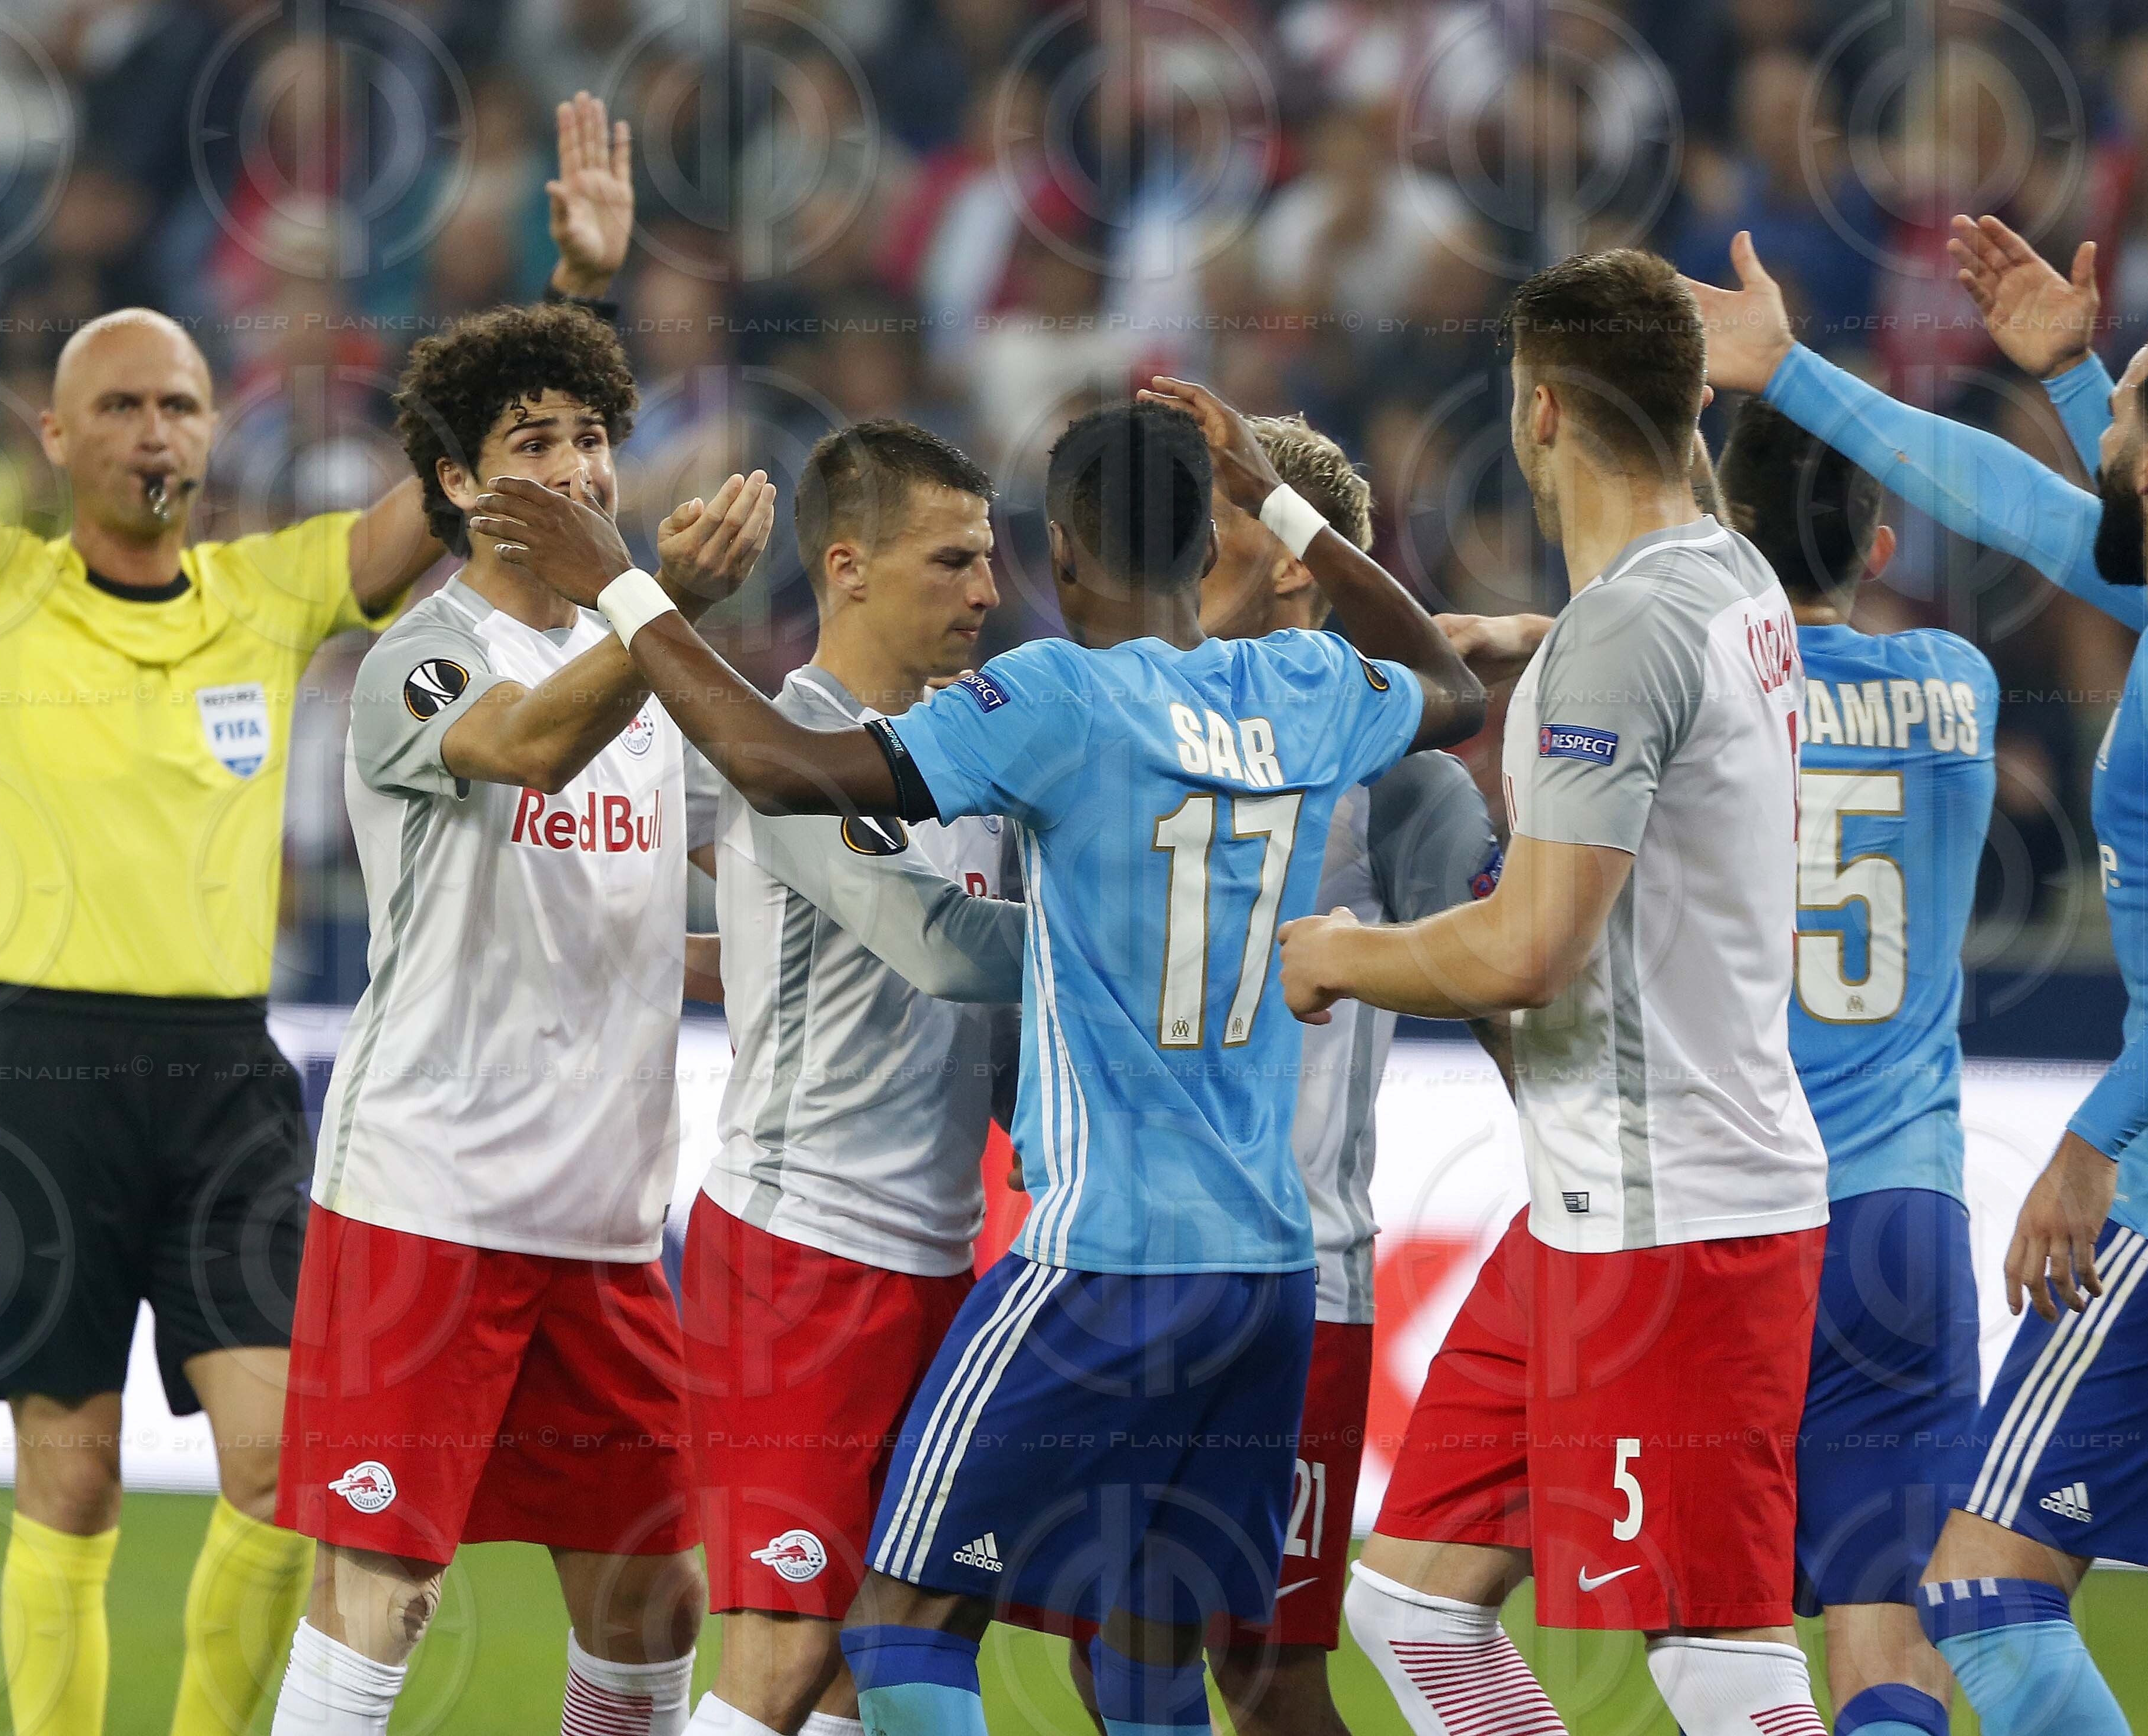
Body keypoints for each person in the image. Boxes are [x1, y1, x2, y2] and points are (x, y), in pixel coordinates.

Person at [476, 384, 1486, 1736]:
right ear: (1208, 545)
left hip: (1099, 1261)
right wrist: (1282, 494)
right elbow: (1455, 685)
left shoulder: (1053, 697)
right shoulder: (1302, 685)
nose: (988, 584)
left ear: (1061, 554)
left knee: (900, 1633)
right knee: (1143, 1661)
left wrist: (627, 592)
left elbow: (780, 768)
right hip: (1267, 1275)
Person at [0, 61, 608, 1736]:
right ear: (56, 436)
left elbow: (472, 486)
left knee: (273, 1464)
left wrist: (575, 298)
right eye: (119, 406)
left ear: (211, 428)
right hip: (39, 1071)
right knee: (75, 1472)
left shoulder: (271, 590)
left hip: (227, 1078)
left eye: (177, 405)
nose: (154, 430)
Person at [1691, 223, 2148, 1736]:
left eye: (2124, 407)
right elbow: (2056, 513)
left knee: (1979, 1589)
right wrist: (2082, 374)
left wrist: (2091, 1146)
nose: (2099, 435)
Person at [1277, 249, 1831, 1736]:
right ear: (1694, 404)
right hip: (1591, 1210)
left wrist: (1336, 953)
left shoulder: (1622, 636)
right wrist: (1514, 640)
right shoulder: (1727, 571)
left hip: (1677, 1226)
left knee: (1715, 1656)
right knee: (1406, 1604)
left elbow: (1529, 952)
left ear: (1535, 414)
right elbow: (1645, 636)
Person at [264, 308, 776, 1736]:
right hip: (427, 1199)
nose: (575, 471)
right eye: (531, 444)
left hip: (602, 1222)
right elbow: (527, 750)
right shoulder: (420, 657)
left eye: (592, 438)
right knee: (382, 1593)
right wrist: (652, 611)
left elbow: (689, 901)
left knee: (652, 1600)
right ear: (454, 482)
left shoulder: (657, 674)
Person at [999, 416, 1506, 1736]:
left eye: (1216, 531)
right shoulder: (1129, 721)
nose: (1176, 558)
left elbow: (1512, 987)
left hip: (1298, 1276)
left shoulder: (1393, 778)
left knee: (1270, 1672)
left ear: (1294, 560)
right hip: (1124, 1258)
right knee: (1119, 1647)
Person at [682, 420, 1027, 1736]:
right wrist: (1142, 948)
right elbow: (940, 951)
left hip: (937, 1259)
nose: (988, 591)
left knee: (869, 1656)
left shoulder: (970, 751)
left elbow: (990, 1041)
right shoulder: (792, 748)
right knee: (779, 1656)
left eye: (989, 560)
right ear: (850, 567)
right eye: (953, 561)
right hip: (799, 1254)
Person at [1716, 402, 1998, 1736]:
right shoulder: (1962, 682)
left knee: (1716, 1618)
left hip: (1739, 1209)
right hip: (1905, 1207)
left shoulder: (1698, 702)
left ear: (1727, 537)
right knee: (1888, 1613)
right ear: (1880, 541)